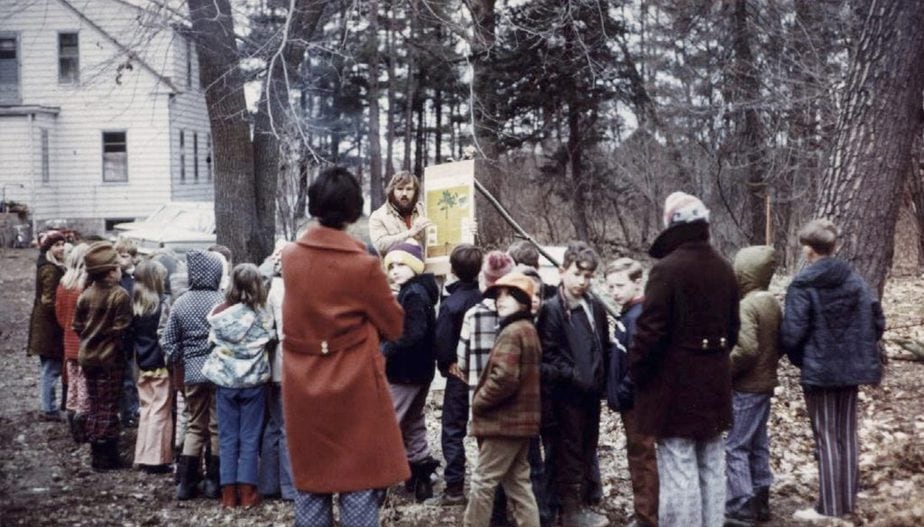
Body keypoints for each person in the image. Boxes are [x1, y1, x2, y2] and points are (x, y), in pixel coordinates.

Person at [281, 166, 408, 526]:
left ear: (313, 205)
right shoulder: (363, 266)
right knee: (357, 488)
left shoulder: (290, 257)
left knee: (310, 487)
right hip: (353, 391)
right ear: (354, 209)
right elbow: (395, 326)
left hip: (303, 388)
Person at [628, 192, 740, 527]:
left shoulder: (666, 270)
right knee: (710, 466)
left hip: (673, 392)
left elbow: (648, 337)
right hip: (715, 388)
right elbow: (733, 331)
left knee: (680, 471)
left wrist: (636, 372)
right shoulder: (724, 268)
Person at [781, 219, 884, 522]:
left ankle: (830, 508)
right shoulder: (855, 279)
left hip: (821, 371)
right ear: (834, 246)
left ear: (809, 251)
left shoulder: (802, 284)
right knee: (846, 434)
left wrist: (802, 358)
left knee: (826, 436)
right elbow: (877, 321)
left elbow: (792, 334)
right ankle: (846, 500)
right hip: (851, 370)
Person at [537, 242, 611, 527]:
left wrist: (601, 382)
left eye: (589, 275)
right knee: (566, 451)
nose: (582, 281)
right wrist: (574, 376)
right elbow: (550, 354)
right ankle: (569, 511)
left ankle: (577, 502)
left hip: (591, 395)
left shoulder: (595, 306)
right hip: (565, 396)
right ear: (562, 272)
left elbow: (601, 345)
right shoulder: (553, 309)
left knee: (586, 447)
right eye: (577, 274)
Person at [463, 273, 542, 527]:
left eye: (508, 294)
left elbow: (505, 378)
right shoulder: (527, 329)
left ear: (523, 301)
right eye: (498, 295)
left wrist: (479, 402)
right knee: (519, 485)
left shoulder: (512, 332)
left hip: (504, 423)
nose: (501, 300)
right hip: (520, 423)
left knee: (483, 481)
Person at [202, 263, 274, 509]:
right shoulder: (262, 313)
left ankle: (228, 495)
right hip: (253, 381)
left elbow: (212, 341)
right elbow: (270, 338)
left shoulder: (219, 312)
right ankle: (247, 492)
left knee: (227, 437)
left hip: (226, 382)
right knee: (250, 437)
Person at [162, 250, 226, 500]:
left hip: (191, 372)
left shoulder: (181, 302)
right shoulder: (221, 300)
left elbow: (168, 341)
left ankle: (186, 484)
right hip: (218, 372)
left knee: (194, 425)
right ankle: (213, 483)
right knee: (216, 426)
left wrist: (183, 357)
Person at [382, 239, 441, 502]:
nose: (395, 270)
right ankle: (420, 480)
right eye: (391, 265)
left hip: (405, 372)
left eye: (401, 264)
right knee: (414, 422)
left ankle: (377, 482)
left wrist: (386, 348)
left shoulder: (414, 293)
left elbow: (414, 333)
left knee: (388, 423)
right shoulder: (418, 289)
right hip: (420, 371)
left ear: (415, 265)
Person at [604, 257, 658, 527]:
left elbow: (641, 364)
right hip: (633, 400)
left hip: (639, 402)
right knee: (640, 456)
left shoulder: (638, 317)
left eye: (620, 285)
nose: (615, 292)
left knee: (642, 458)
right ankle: (645, 510)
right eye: (610, 287)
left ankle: (647, 517)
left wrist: (623, 392)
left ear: (638, 282)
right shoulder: (629, 313)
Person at [72, 241, 133, 471]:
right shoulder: (120, 295)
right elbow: (122, 327)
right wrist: (109, 340)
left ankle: (97, 449)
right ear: (110, 272)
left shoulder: (85, 294)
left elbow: (76, 325)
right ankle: (106, 455)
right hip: (110, 359)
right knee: (108, 405)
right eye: (117, 267)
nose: (121, 270)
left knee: (95, 403)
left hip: (87, 357)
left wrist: (91, 337)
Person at [435, 243, 485, 504]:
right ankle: (491, 485)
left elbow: (442, 342)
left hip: (458, 374)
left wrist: (447, 365)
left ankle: (454, 487)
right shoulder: (484, 298)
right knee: (485, 427)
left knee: (453, 429)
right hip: (484, 373)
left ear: (452, 269)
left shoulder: (451, 304)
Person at [258, 241, 296, 501]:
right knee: (287, 427)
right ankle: (290, 487)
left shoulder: (271, 290)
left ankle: (268, 483)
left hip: (274, 368)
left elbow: (266, 327)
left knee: (274, 424)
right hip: (291, 367)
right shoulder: (295, 290)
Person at [130, 259, 174, 474]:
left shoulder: (135, 305)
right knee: (160, 411)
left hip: (142, 364)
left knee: (147, 410)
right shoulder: (161, 306)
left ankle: (143, 454)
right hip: (160, 364)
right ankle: (156, 459)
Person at [28, 230, 66, 421]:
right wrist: (63, 317)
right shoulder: (50, 270)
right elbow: (49, 300)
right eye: (57, 245)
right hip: (49, 327)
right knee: (51, 368)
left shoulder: (48, 266)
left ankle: (48, 405)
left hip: (44, 325)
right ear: (49, 248)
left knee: (48, 367)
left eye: (62, 244)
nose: (61, 248)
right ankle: (49, 408)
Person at [56, 243, 91, 442]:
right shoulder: (85, 286)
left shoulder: (64, 284)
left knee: (73, 385)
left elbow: (59, 315)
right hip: (84, 342)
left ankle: (71, 415)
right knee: (85, 385)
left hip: (68, 341)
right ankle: (82, 424)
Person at [368, 170, 432, 256]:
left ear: (415, 191)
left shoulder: (425, 210)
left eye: (409, 189)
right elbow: (380, 245)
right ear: (392, 191)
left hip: (428, 267)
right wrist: (410, 233)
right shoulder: (378, 216)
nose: (404, 193)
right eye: (400, 189)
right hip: (396, 268)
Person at [115, 238, 140, 428]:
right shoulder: (117, 280)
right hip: (122, 334)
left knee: (132, 374)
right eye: (117, 255)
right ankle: (127, 411)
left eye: (124, 256)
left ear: (133, 258)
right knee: (124, 376)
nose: (120, 260)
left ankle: (132, 409)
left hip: (135, 334)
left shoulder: (136, 279)